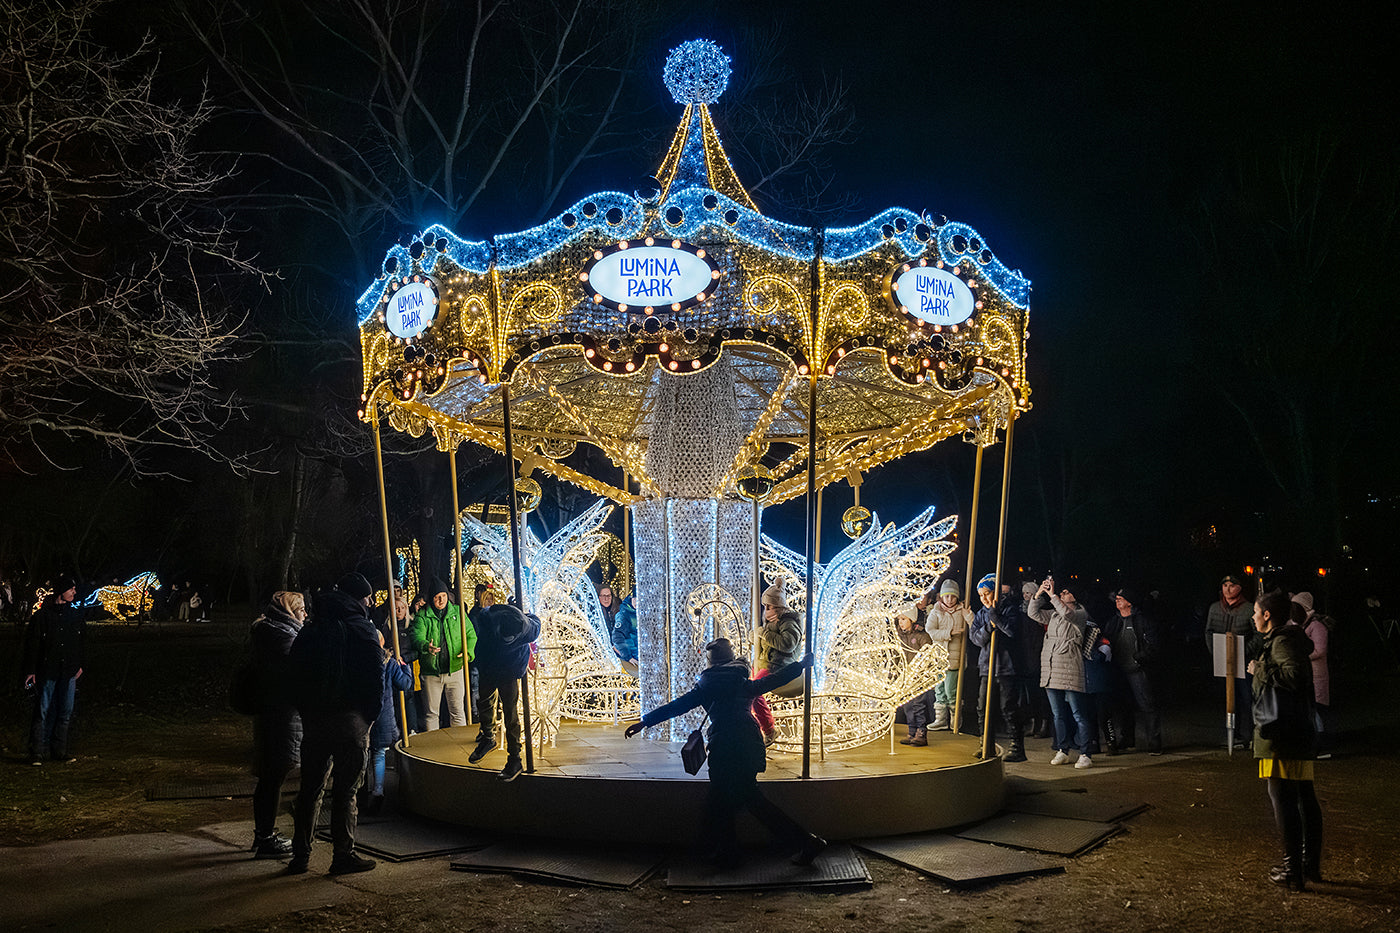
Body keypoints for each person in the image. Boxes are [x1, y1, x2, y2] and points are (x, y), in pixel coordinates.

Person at [624, 638, 824, 868]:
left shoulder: (706, 686)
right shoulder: (742, 681)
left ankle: (798, 843)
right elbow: (773, 681)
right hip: (749, 744)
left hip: (724, 747)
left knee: (732, 799)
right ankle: (731, 851)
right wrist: (800, 665)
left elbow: (677, 706)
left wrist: (645, 722)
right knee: (733, 800)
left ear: (710, 663)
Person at [286, 572, 384, 875]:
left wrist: (306, 710)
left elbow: (295, 673)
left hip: (315, 719)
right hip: (351, 721)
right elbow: (374, 679)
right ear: (359, 598)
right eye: (367, 597)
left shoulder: (312, 628)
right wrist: (369, 718)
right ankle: (343, 854)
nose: (369, 602)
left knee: (310, 790)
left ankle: (300, 854)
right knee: (346, 792)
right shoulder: (362, 629)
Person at [1249, 588, 1322, 891]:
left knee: (1283, 799)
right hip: (1296, 732)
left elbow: (1294, 677)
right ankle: (1308, 865)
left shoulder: (1280, 642)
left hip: (1281, 735)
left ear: (1267, 615)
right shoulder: (1289, 640)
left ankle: (1293, 869)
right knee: (1303, 796)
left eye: (1255, 612)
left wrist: (1260, 668)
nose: (1253, 618)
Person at [247, 591, 306, 858]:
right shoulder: (282, 638)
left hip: (273, 713)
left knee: (272, 776)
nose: (305, 614)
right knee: (274, 775)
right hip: (280, 716)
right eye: (301, 609)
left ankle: (264, 834)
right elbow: (296, 673)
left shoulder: (269, 632)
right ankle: (265, 837)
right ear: (289, 612)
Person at [469, 601, 541, 782]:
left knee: (510, 711)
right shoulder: (487, 619)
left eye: (511, 638)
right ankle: (488, 736)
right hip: (489, 662)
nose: (507, 640)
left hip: (510, 667)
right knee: (484, 699)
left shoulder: (527, 628)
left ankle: (515, 758)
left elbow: (535, 621)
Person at [1029, 575, 1094, 769]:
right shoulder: (1054, 614)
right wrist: (1040, 593)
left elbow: (1068, 614)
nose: (1063, 594)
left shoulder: (1081, 613)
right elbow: (1033, 613)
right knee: (1057, 714)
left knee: (1078, 713)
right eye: (1062, 592)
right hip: (1051, 668)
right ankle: (1062, 750)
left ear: (1076, 596)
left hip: (1070, 667)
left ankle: (1085, 753)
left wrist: (1052, 596)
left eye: (1066, 592)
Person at [23, 576, 85, 765]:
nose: (74, 592)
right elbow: (34, 644)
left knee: (65, 712)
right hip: (48, 670)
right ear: (61, 591)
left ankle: (59, 750)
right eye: (71, 589)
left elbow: (80, 643)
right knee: (43, 711)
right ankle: (37, 752)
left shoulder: (73, 616)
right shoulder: (42, 617)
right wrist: (31, 670)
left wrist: (80, 664)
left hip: (68, 670)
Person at [968, 574, 1026, 762]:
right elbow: (975, 638)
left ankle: (1017, 747)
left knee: (1008, 707)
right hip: (987, 666)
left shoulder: (1010, 609)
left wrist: (996, 618)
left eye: (988, 593)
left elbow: (1011, 631)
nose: (984, 598)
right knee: (983, 707)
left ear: (996, 592)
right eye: (981, 595)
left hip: (1007, 667)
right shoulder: (980, 614)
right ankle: (986, 744)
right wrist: (988, 627)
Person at [1103, 587, 1163, 754]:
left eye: (1121, 598)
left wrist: (1140, 657)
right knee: (1123, 706)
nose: (1117, 601)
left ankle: (1154, 743)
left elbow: (1154, 644)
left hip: (1138, 670)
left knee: (1147, 706)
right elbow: (1106, 640)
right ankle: (1127, 739)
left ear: (1130, 602)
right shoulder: (1114, 621)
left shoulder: (1143, 620)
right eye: (1116, 598)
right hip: (1119, 670)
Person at [412, 580, 474, 730]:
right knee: (432, 713)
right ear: (431, 598)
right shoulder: (422, 616)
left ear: (448, 596)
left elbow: (471, 634)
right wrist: (426, 646)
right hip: (431, 672)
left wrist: (468, 653)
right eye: (437, 597)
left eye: (443, 596)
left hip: (455, 669)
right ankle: (433, 748)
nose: (441, 600)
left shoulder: (458, 613)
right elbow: (416, 637)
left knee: (458, 711)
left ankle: (459, 745)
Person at [1205, 573, 1259, 747]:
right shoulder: (1215, 608)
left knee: (1247, 698)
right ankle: (1231, 734)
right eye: (1225, 586)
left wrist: (1244, 651)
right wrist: (1216, 651)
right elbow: (1209, 631)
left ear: (1240, 588)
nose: (1228, 589)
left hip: (1244, 660)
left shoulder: (1249, 608)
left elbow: (1258, 634)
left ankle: (1249, 735)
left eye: (1232, 586)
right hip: (1222, 660)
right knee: (1228, 698)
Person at [363, 630, 413, 815]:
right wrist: (405, 667)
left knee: (363, 753)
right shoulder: (389, 663)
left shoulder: (361, 661)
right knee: (379, 753)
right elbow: (404, 684)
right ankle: (378, 790)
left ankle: (361, 792)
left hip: (364, 712)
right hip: (383, 713)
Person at [751, 579, 803, 746]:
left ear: (778, 606)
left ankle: (769, 729)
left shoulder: (788, 622)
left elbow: (788, 644)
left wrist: (764, 635)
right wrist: (755, 637)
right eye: (765, 607)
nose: (766, 610)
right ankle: (752, 726)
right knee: (741, 685)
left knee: (752, 692)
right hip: (766, 662)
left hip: (779, 666)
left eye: (769, 607)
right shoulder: (772, 622)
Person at [925, 580, 974, 733]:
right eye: (947, 597)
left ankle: (955, 718)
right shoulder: (936, 610)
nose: (950, 600)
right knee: (939, 689)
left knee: (951, 690)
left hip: (955, 657)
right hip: (940, 656)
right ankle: (940, 719)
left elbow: (974, 626)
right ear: (942, 597)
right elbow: (930, 630)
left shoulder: (961, 610)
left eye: (953, 597)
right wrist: (949, 633)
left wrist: (969, 615)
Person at [1292, 592, 1333, 758]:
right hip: (1305, 675)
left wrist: (1299, 656)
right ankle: (1312, 745)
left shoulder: (1317, 626)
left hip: (1316, 676)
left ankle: (1319, 746)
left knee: (1314, 711)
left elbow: (1320, 650)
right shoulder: (1300, 624)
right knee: (1309, 711)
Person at [1016, 580, 1051, 738]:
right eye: (1024, 593)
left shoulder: (1042, 611)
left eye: (1029, 593)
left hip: (1038, 655)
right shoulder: (1020, 611)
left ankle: (1044, 724)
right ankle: (1033, 722)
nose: (1025, 596)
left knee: (1042, 694)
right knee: (1030, 694)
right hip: (1025, 656)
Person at [894, 609, 934, 745]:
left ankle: (921, 732)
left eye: (904, 619)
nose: (901, 622)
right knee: (908, 705)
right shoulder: (899, 636)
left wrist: (921, 670)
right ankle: (912, 731)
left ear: (912, 620)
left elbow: (928, 655)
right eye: (899, 619)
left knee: (918, 704)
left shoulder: (921, 636)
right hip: (905, 676)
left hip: (918, 676)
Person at [600, 584, 638, 669]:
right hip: (621, 655)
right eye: (603, 596)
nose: (606, 599)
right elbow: (617, 636)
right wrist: (628, 656)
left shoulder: (618, 608)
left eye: (608, 596)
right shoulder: (624, 614)